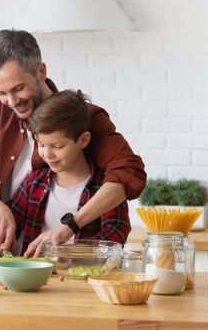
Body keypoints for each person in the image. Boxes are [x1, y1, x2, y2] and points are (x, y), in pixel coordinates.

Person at [0, 29, 146, 257]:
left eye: (18, 89)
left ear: (41, 71)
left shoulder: (82, 117)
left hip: (72, 266)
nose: (11, 102)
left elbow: (129, 172)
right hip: (13, 260)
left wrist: (71, 226)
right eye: (1, 92)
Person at [10, 90, 131, 256]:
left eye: (58, 146)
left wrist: (66, 252)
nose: (47, 154)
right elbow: (11, 225)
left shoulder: (105, 188)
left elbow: (116, 234)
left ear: (83, 140)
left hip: (86, 278)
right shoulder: (33, 183)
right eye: (41, 145)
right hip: (36, 279)